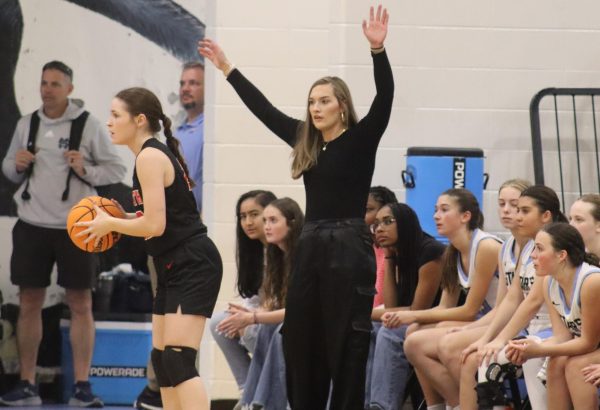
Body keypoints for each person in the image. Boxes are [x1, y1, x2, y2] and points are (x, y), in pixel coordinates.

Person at [199, 5, 393, 408]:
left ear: (341, 105)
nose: (315, 108)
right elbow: (264, 110)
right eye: (311, 102)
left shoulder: (361, 138)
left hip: (348, 245)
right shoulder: (306, 141)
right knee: (300, 336)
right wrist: (227, 67)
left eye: (323, 101)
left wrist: (378, 51)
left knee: (347, 339)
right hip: (312, 244)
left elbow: (386, 96)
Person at [77, 87, 222, 410]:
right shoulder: (148, 156)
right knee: (163, 360)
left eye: (116, 115)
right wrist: (123, 216)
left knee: (179, 359)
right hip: (172, 261)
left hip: (193, 261)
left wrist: (110, 224)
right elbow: (159, 219)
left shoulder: (149, 157)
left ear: (139, 120)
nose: (109, 122)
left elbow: (154, 226)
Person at [0, 60, 125, 407]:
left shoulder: (89, 126)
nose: (47, 89)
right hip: (32, 224)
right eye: (43, 83)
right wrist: (18, 164)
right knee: (29, 303)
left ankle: (82, 386)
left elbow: (116, 168)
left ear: (70, 88)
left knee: (81, 304)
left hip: (77, 226)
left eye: (55, 83)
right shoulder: (28, 124)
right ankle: (26, 383)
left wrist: (85, 168)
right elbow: (8, 168)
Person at [387, 188, 502, 410]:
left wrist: (411, 313)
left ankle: (478, 404)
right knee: (413, 333)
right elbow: (445, 307)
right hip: (480, 320)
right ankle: (442, 405)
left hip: (500, 323)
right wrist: (413, 318)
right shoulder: (452, 252)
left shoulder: (486, 246)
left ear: (465, 216)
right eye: (435, 210)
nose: (436, 216)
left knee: (428, 338)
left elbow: (469, 310)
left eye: (444, 210)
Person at [425, 179, 532, 408]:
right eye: (501, 203)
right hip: (502, 322)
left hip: (526, 328)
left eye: (516, 206)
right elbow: (506, 303)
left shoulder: (501, 246)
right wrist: (472, 330)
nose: (507, 210)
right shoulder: (507, 247)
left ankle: (488, 404)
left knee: (453, 348)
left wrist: (484, 335)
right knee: (418, 339)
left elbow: (516, 306)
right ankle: (456, 404)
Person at [461, 185, 567, 410]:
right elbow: (512, 298)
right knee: (485, 358)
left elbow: (532, 301)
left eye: (524, 211)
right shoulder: (530, 246)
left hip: (555, 328)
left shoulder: (556, 246)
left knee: (517, 358)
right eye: (517, 210)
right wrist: (488, 338)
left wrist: (500, 339)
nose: (517, 216)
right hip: (531, 329)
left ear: (546, 216)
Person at [506, 223, 600, 410]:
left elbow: (588, 342)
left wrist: (537, 351)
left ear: (561, 255)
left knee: (576, 366)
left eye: (539, 248)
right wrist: (525, 348)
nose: (532, 255)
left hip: (593, 345)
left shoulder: (591, 281)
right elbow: (562, 336)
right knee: (556, 362)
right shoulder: (549, 282)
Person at [365, 202, 445, 409]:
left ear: (406, 223)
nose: (379, 228)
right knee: (365, 330)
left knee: (389, 333)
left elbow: (418, 310)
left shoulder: (431, 251)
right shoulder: (398, 253)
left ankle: (382, 406)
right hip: (414, 321)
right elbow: (393, 305)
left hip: (438, 320)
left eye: (387, 221)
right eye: (376, 225)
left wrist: (363, 313)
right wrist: (390, 257)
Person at [232, 197, 304, 410]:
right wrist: (251, 314)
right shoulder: (277, 255)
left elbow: (297, 310)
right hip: (290, 319)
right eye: (265, 221)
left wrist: (253, 316)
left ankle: (261, 401)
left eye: (272, 220)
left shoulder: (303, 255)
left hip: (315, 323)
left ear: (291, 222)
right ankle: (252, 398)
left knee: (277, 329)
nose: (267, 227)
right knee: (260, 329)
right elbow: (276, 301)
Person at [208, 190, 276, 410]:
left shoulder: (284, 250)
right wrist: (243, 312)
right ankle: (247, 390)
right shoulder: (255, 251)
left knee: (248, 329)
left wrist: (248, 318)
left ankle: (260, 396)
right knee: (219, 323)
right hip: (265, 315)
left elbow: (282, 302)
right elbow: (256, 298)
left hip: (284, 321)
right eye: (243, 216)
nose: (248, 222)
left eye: (254, 214)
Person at [176, 61, 205, 212]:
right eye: (182, 84)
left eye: (193, 83)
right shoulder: (176, 133)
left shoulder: (209, 129)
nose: (185, 89)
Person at [365, 186, 398, 307]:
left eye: (368, 209)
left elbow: (388, 306)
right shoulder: (366, 246)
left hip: (387, 318)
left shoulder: (395, 249)